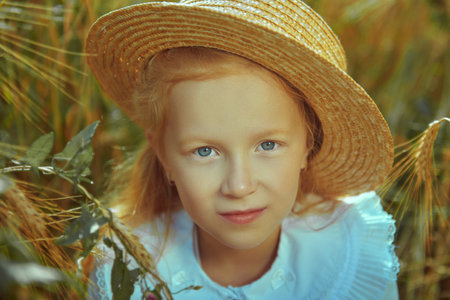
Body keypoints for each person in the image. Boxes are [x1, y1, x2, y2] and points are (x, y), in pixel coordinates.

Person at [86, 0, 400, 299]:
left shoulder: (349, 250)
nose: (239, 186)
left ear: (308, 143)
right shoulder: (124, 263)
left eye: (267, 145)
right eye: (205, 151)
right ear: (164, 155)